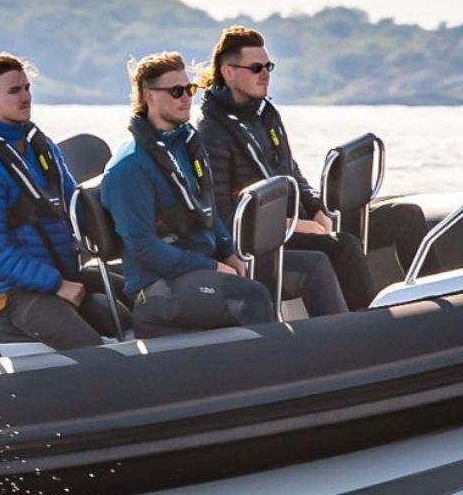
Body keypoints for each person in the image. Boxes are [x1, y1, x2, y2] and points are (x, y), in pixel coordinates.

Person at [102, 53, 341, 332]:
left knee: (312, 264)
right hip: (158, 288)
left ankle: (339, 346)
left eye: (189, 90)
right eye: (176, 91)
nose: (186, 98)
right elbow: (142, 247)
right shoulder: (130, 166)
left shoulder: (185, 146)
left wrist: (228, 252)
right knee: (250, 296)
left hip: (201, 265)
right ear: (148, 95)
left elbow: (207, 210)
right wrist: (211, 267)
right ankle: (275, 367)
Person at [196, 26, 427, 306]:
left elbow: (291, 171)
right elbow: (224, 213)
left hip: (300, 221)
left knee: (407, 217)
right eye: (256, 68)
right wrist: (294, 226)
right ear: (228, 72)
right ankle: (370, 322)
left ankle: (430, 299)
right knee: (344, 247)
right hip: (266, 238)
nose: (265, 74)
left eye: (268, 66)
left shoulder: (265, 114)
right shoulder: (211, 133)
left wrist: (317, 206)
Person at [0, 54, 110, 349]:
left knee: (125, 314)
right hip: (19, 296)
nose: (25, 97)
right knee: (88, 344)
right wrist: (57, 285)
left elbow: (73, 205)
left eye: (27, 88)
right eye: (14, 91)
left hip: (64, 277)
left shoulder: (41, 147)